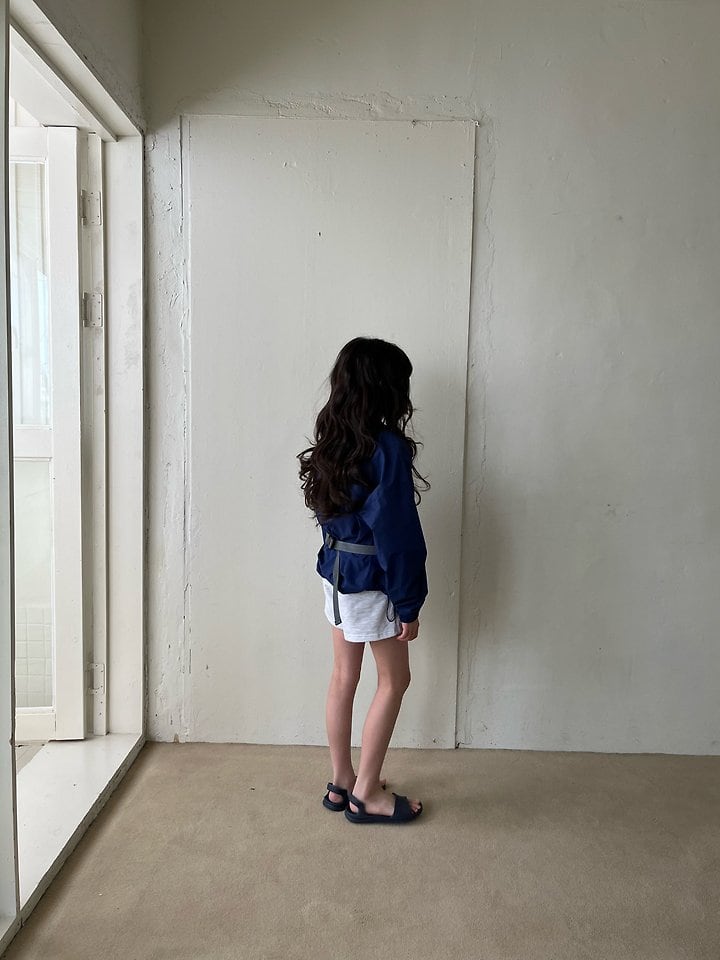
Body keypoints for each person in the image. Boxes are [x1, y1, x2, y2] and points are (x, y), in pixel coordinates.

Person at [298, 337, 429, 824]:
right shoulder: (386, 446)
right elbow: (398, 533)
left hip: (336, 578)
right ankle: (367, 793)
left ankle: (342, 782)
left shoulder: (333, 438)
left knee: (343, 676)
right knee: (395, 679)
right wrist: (409, 601)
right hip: (373, 581)